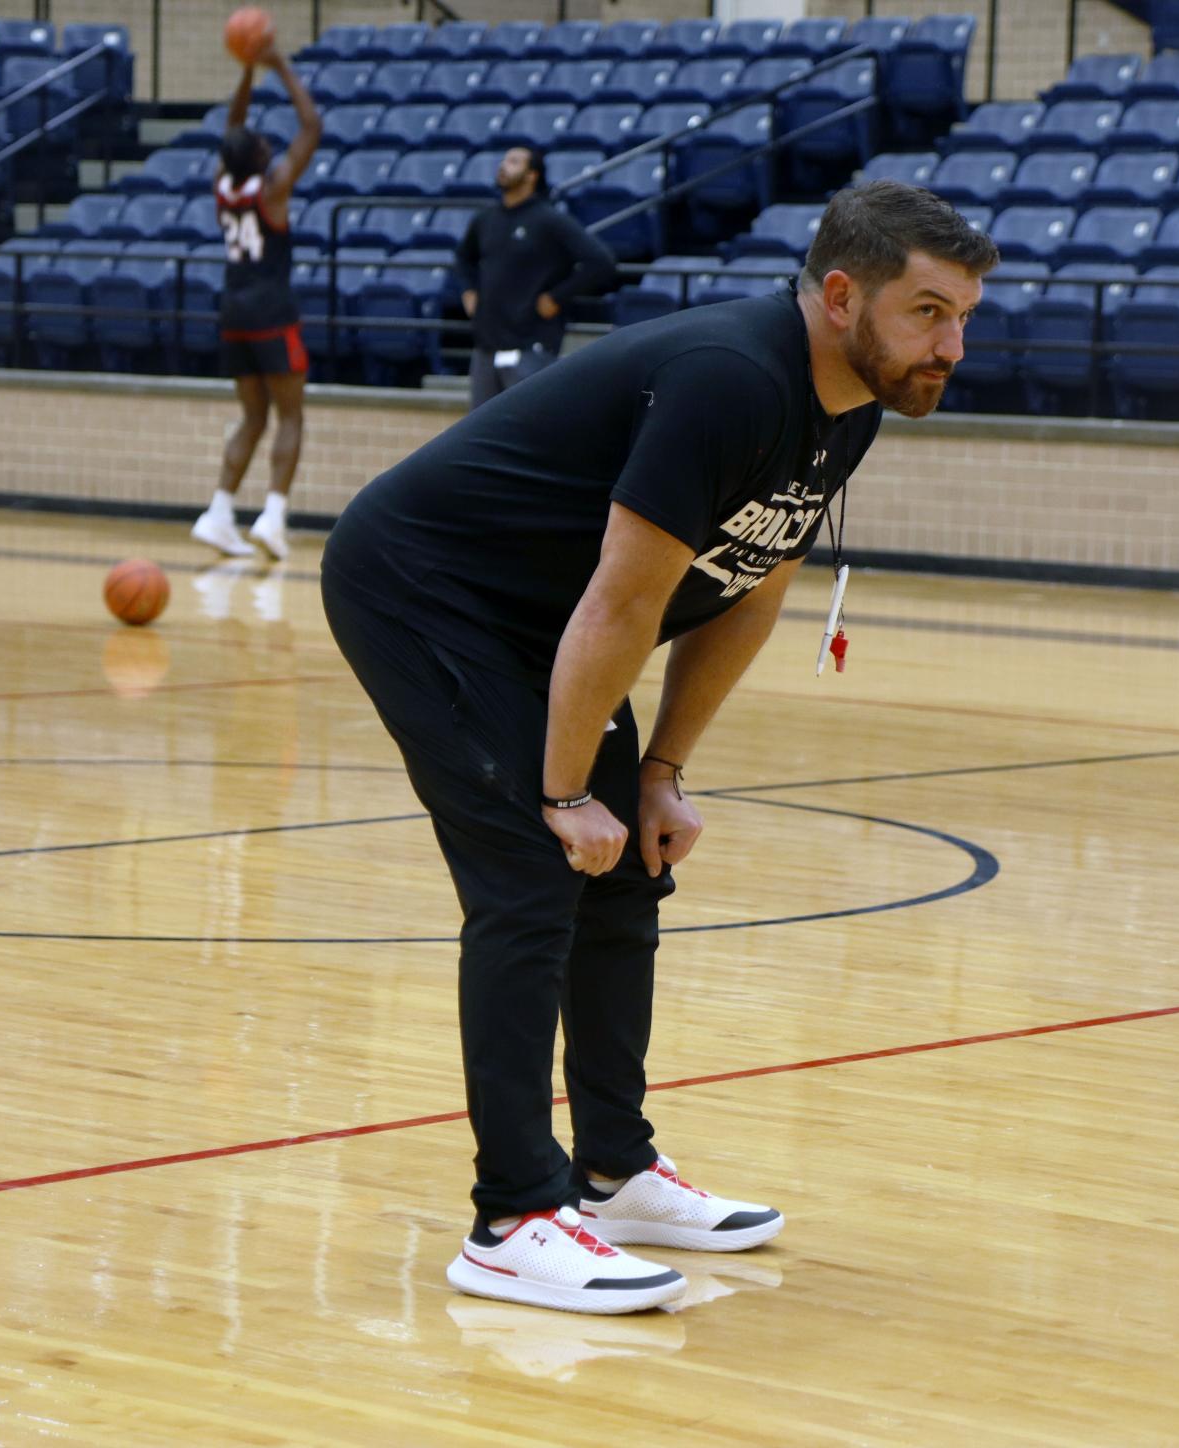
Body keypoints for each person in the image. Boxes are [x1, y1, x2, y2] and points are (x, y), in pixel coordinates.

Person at [321, 182, 997, 1314]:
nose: (953, 346)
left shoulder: (852, 407)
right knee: (531, 874)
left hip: (553, 619)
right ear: (842, 296)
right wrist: (557, 790)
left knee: (631, 864)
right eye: (930, 312)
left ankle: (612, 1169)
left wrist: (656, 773)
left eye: (966, 316)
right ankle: (510, 1217)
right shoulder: (729, 381)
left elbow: (750, 583)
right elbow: (629, 600)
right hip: (427, 592)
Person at [190, 43, 321, 564]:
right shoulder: (273, 190)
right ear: (261, 158)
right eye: (266, 144)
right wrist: (279, 66)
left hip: (233, 311)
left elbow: (234, 129)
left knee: (251, 417)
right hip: (271, 310)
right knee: (290, 416)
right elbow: (312, 128)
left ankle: (219, 514)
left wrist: (246, 70)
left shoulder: (224, 186)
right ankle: (273, 516)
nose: (271, 145)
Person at [454, 146, 618, 409]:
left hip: (530, 345)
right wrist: (469, 291)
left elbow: (601, 262)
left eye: (514, 161)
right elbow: (463, 258)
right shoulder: (485, 219)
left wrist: (557, 297)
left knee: (526, 429)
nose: (504, 166)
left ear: (532, 175)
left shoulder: (549, 220)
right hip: (486, 346)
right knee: (480, 435)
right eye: (504, 159)